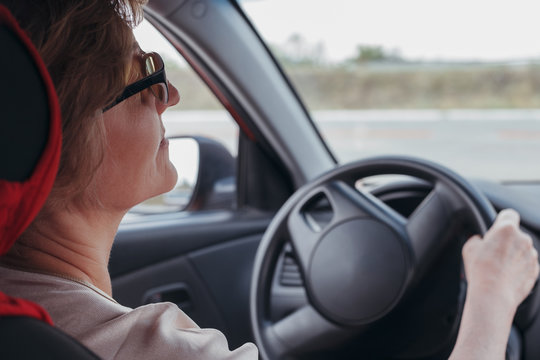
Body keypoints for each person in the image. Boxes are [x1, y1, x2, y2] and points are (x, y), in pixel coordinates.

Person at [0, 0, 537, 359]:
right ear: (51, 126)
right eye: (141, 72)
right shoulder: (155, 350)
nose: (168, 95)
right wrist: (491, 298)